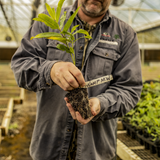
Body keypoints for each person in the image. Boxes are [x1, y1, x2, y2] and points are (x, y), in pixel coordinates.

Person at [11, 0, 142, 159]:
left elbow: (129, 89)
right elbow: (20, 66)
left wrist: (101, 104)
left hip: (95, 151)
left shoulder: (125, 34)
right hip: (49, 147)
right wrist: (50, 70)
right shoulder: (50, 22)